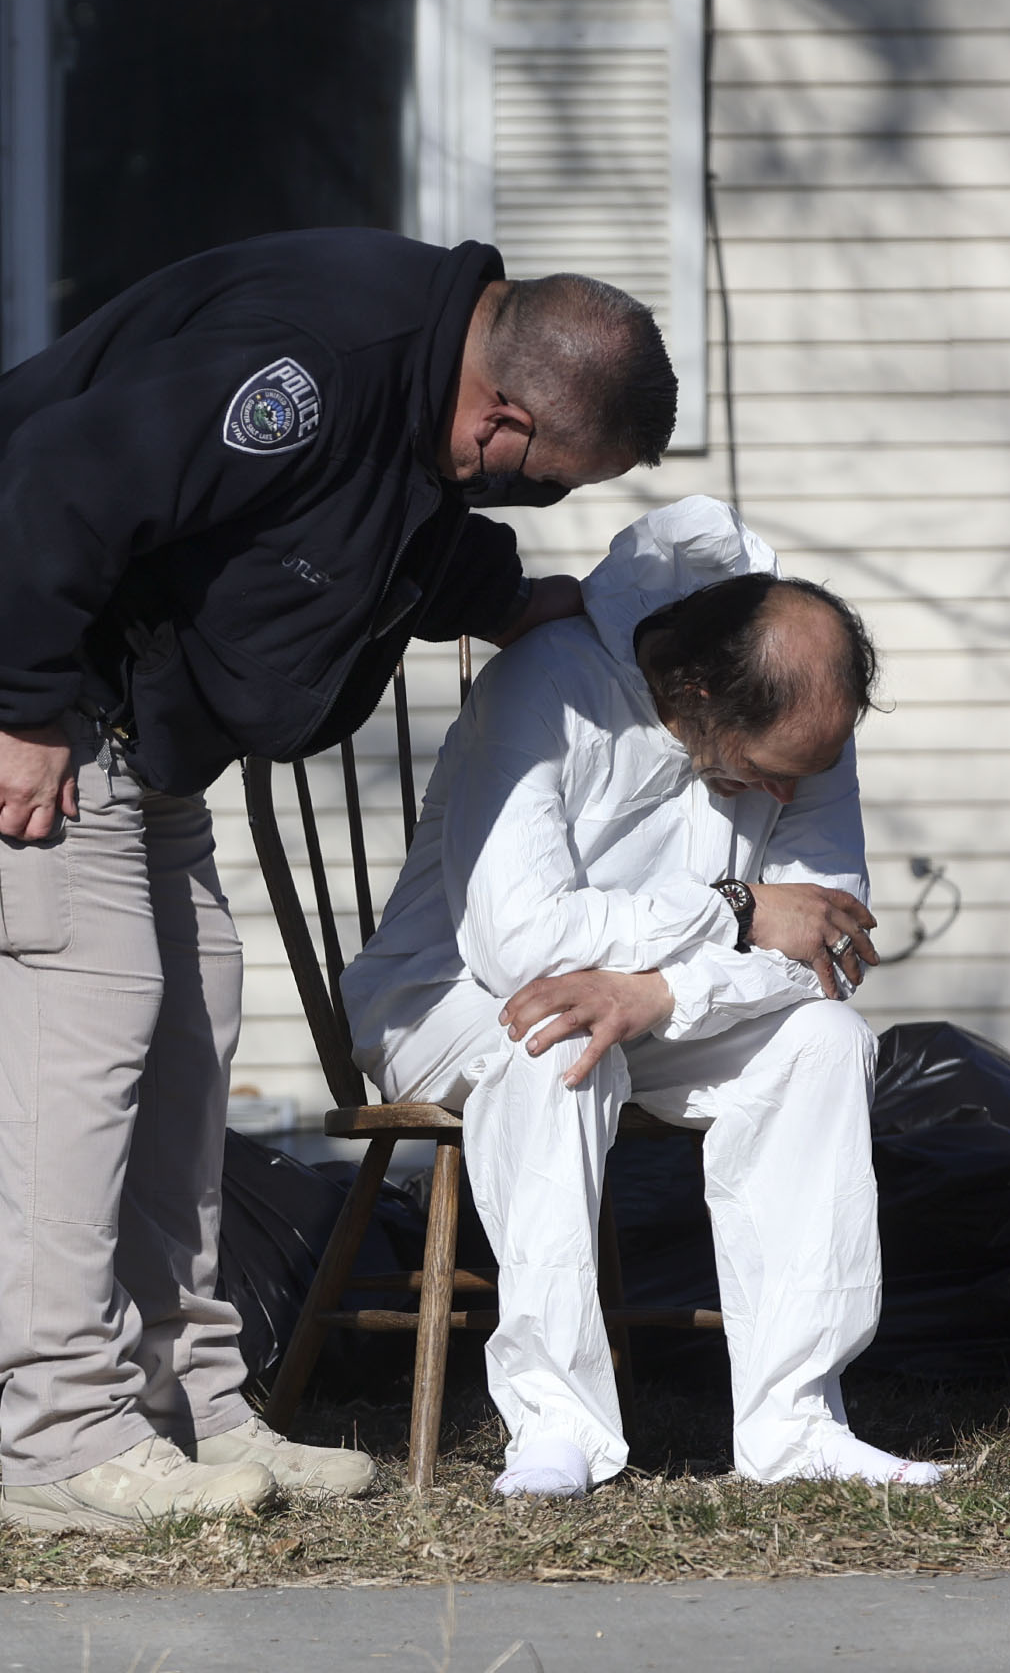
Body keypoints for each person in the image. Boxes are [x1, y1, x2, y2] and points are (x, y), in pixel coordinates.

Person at [0, 229, 678, 1532]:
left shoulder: (420, 399)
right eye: (551, 480)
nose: (537, 502)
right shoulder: (314, 364)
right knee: (89, 1025)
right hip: (9, 658)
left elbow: (364, 524)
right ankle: (67, 1438)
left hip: (134, 709)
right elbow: (63, 484)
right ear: (506, 418)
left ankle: (191, 1404)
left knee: (191, 1017)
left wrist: (500, 600)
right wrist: (11, 702)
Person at [343, 495, 944, 1496]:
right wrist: (737, 906)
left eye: (812, 768)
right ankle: (556, 1426)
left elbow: (829, 940)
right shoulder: (548, 685)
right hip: (448, 996)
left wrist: (660, 990)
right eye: (768, 775)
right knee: (562, 1044)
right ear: (698, 689)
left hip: (659, 1004)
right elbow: (518, 939)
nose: (789, 797)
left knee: (826, 1038)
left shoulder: (800, 721)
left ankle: (797, 1419)